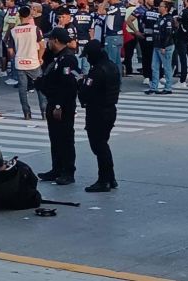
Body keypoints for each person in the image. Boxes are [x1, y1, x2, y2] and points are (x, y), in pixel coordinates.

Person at [35, 28, 79, 185]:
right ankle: (57, 168)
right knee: (55, 138)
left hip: (63, 105)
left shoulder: (68, 59)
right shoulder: (56, 57)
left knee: (65, 138)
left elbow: (69, 85)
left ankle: (68, 171)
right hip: (52, 102)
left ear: (56, 41)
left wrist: (59, 106)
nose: (48, 43)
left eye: (50, 40)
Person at [78, 40, 120, 192]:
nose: (87, 59)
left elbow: (85, 93)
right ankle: (110, 177)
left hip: (97, 112)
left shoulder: (97, 71)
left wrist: (81, 84)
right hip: (110, 110)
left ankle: (104, 180)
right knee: (103, 144)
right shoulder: (113, 66)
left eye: (88, 56)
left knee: (99, 146)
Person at [8, 6, 46, 120]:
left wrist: (16, 57)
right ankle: (44, 112)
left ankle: (27, 113)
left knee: (22, 90)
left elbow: (10, 50)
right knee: (40, 88)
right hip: (33, 62)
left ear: (19, 16)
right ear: (29, 15)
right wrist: (40, 58)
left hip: (20, 62)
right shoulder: (35, 29)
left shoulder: (13, 31)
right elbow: (42, 46)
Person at [145, 1, 174, 95]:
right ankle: (154, 87)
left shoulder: (168, 19)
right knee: (154, 67)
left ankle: (168, 88)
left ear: (166, 8)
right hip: (156, 46)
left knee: (166, 67)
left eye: (161, 6)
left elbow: (168, 33)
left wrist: (164, 46)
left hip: (165, 46)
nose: (159, 7)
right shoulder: (159, 17)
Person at [127, 0, 159, 85]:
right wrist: (136, 32)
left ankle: (158, 76)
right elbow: (129, 20)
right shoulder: (140, 9)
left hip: (155, 36)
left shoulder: (155, 9)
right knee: (146, 56)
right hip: (144, 36)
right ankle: (147, 76)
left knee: (155, 56)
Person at [99, 0, 126, 76]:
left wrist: (104, 1)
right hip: (118, 37)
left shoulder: (115, 8)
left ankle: (111, 83)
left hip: (112, 37)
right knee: (117, 62)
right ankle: (118, 83)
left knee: (111, 62)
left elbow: (100, 11)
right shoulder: (122, 6)